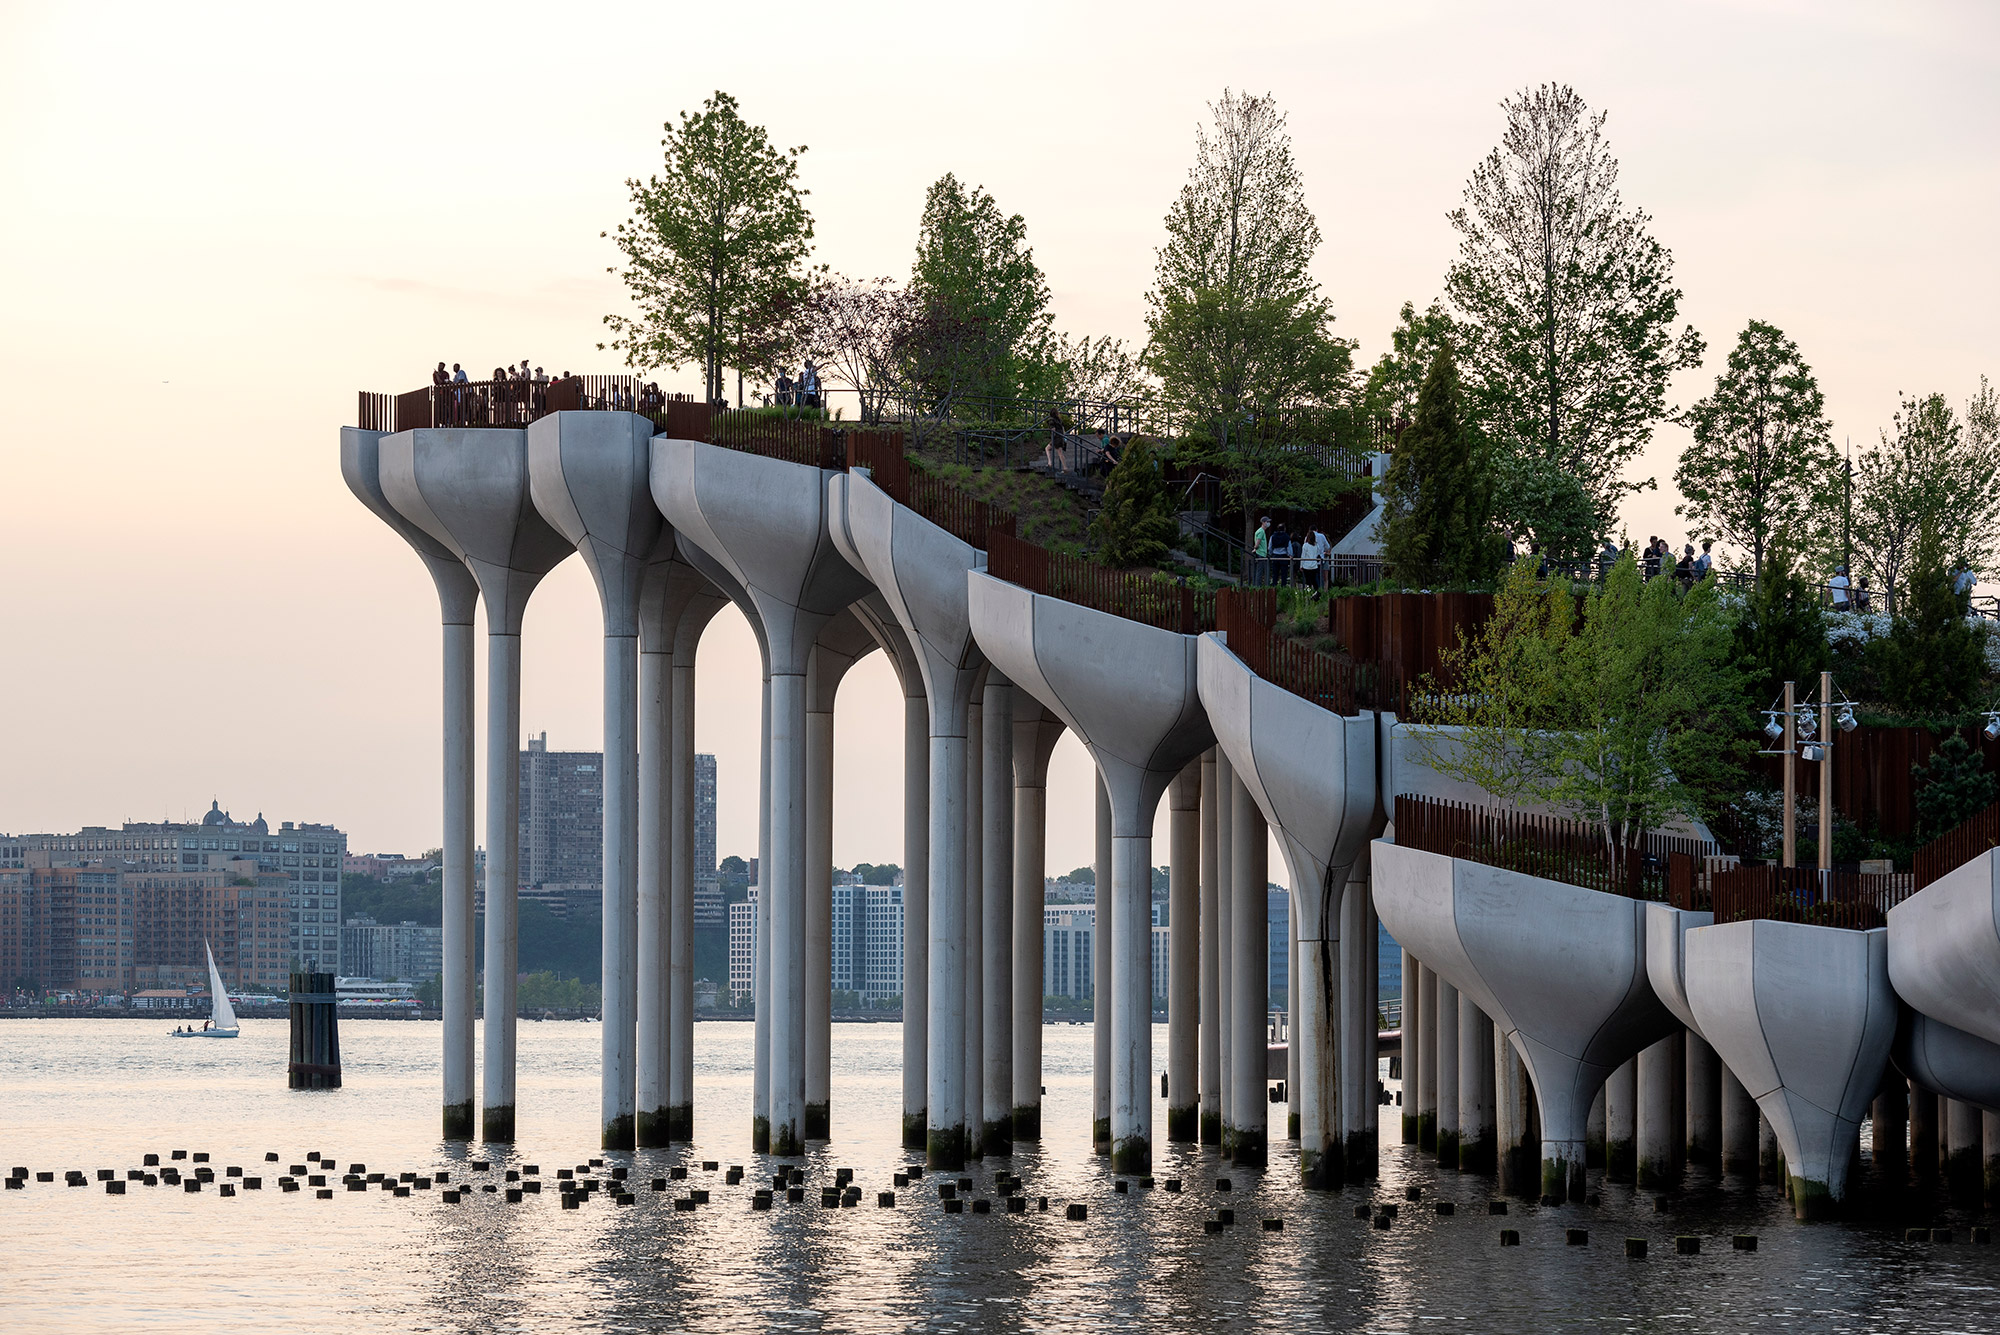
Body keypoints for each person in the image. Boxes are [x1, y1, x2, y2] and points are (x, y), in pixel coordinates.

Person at [1302, 526, 1328, 591]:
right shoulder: (1321, 537)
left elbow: (1303, 555)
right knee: (1319, 577)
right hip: (1319, 561)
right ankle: (1320, 591)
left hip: (1307, 564)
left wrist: (1301, 565)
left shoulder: (1306, 541)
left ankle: (1310, 592)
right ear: (1317, 529)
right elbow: (1327, 546)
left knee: (1309, 580)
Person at [1252, 517, 1271, 587]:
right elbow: (1258, 542)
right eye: (1267, 521)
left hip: (1260, 553)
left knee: (1260, 571)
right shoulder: (1261, 531)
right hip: (1261, 554)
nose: (1268, 523)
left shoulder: (1260, 531)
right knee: (1260, 571)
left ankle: (1258, 586)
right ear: (1263, 522)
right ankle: (1258, 586)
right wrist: (1255, 547)